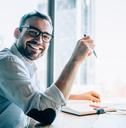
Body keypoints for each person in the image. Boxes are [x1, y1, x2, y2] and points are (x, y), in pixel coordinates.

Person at [0, 11, 100, 128]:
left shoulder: (26, 63)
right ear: (17, 33)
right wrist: (75, 60)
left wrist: (80, 96)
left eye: (46, 36)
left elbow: (41, 96)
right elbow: (45, 113)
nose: (39, 40)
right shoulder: (8, 62)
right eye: (32, 32)